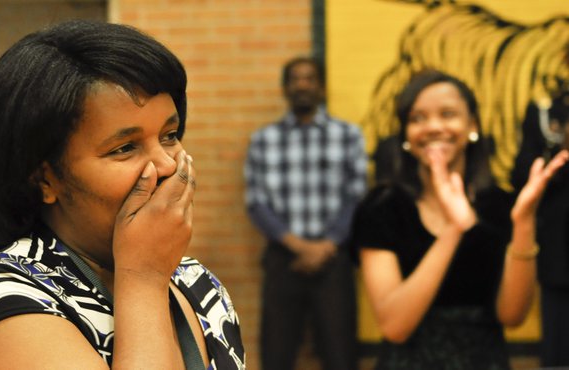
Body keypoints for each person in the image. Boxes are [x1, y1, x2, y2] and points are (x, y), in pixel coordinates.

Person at [0, 20, 245, 370]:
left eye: (170, 135)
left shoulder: (196, 283)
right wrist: (143, 279)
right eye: (125, 147)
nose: (165, 165)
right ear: (44, 179)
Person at [348, 69, 569, 369]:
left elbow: (512, 316)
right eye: (418, 118)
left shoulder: (499, 207)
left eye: (448, 114)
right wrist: (454, 230)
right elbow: (394, 326)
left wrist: (524, 221)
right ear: (405, 135)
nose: (434, 127)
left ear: (472, 125)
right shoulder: (383, 208)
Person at [244, 56, 366, 370]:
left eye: (309, 78)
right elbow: (256, 202)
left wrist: (326, 246)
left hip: (335, 258)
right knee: (276, 353)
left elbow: (357, 197)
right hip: (284, 258)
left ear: (321, 88)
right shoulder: (264, 141)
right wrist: (300, 247)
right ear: (285, 88)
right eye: (295, 79)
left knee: (340, 355)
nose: (302, 85)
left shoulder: (348, 135)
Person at [511, 87, 569, 367]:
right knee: (558, 335)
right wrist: (561, 154)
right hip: (559, 243)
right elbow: (521, 174)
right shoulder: (547, 112)